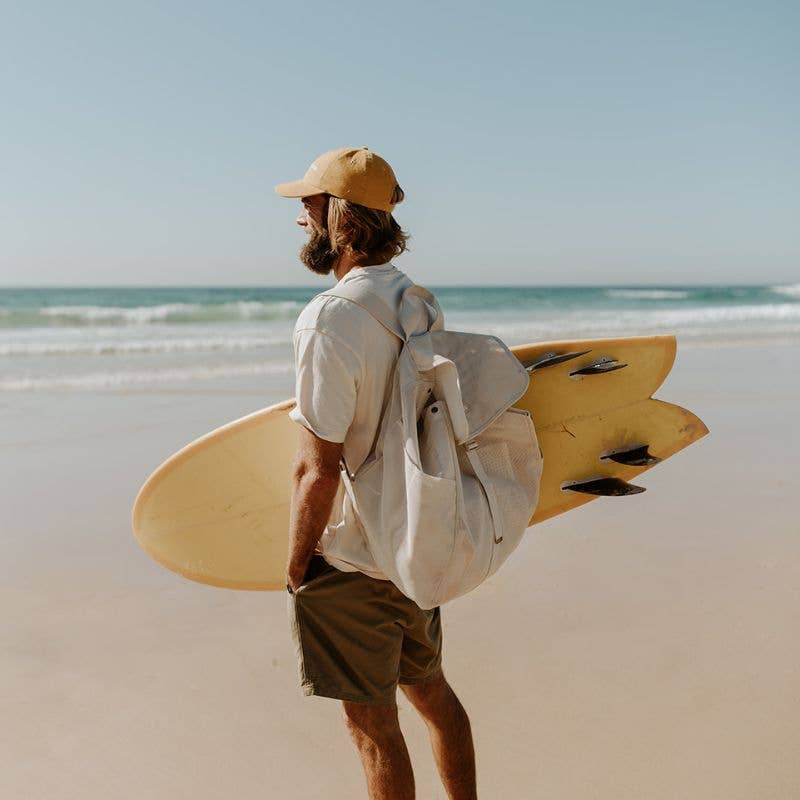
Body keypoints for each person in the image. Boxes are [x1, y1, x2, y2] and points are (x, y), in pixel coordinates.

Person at [275, 147, 478, 800]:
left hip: (356, 559)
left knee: (371, 726)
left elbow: (319, 467)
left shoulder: (329, 318)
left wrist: (298, 563)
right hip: (418, 541)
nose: (300, 217)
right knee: (433, 694)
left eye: (310, 204)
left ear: (340, 216)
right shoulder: (418, 302)